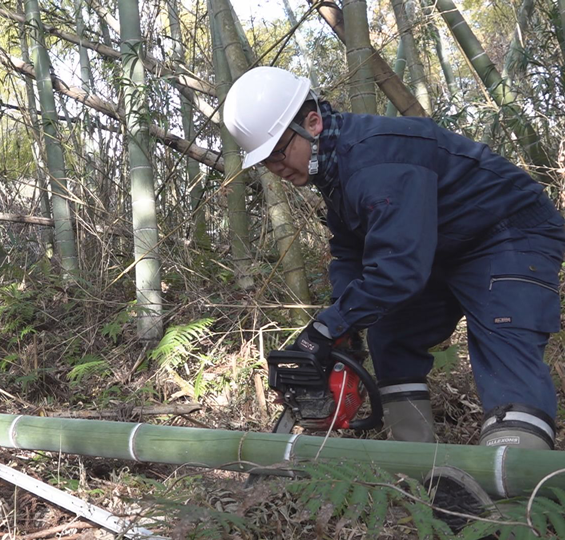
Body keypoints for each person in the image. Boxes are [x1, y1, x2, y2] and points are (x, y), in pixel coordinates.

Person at [224, 66, 564, 451]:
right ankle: (417, 463)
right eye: (266, 161)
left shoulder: (376, 159)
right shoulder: (336, 169)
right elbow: (353, 249)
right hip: (437, 246)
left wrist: (326, 327)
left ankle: (516, 478)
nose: (277, 168)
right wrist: (341, 319)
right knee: (390, 332)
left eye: (279, 152)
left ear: (312, 123)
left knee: (503, 336)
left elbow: (399, 267)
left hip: (505, 233)